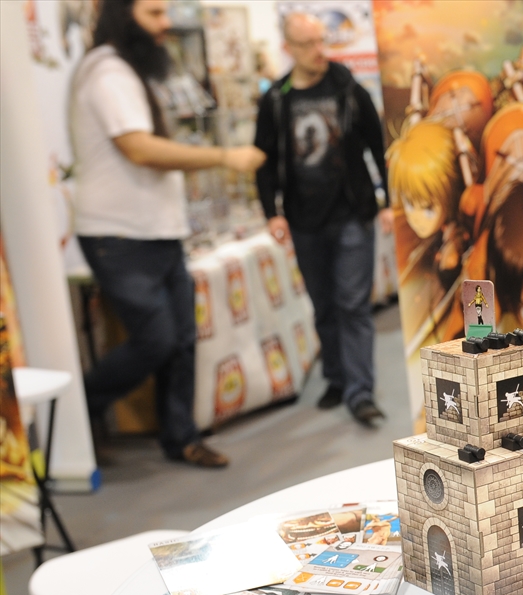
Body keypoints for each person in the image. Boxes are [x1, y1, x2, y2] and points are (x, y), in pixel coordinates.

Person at [71, 0, 264, 468]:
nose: (166, 24)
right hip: (119, 236)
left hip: (156, 232)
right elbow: (139, 149)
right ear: (124, 15)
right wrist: (224, 157)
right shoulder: (108, 72)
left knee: (180, 341)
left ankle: (181, 438)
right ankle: (78, 412)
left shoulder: (127, 71)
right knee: (156, 339)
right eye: (154, 14)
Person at [254, 12, 393, 427]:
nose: (319, 51)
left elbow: (379, 146)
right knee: (324, 306)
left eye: (322, 41)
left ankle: (360, 392)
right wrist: (271, 212)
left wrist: (389, 201)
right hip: (303, 219)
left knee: (353, 304)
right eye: (308, 44)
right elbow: (263, 160)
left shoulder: (349, 88)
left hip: (352, 212)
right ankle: (337, 377)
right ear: (288, 48)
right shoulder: (275, 98)